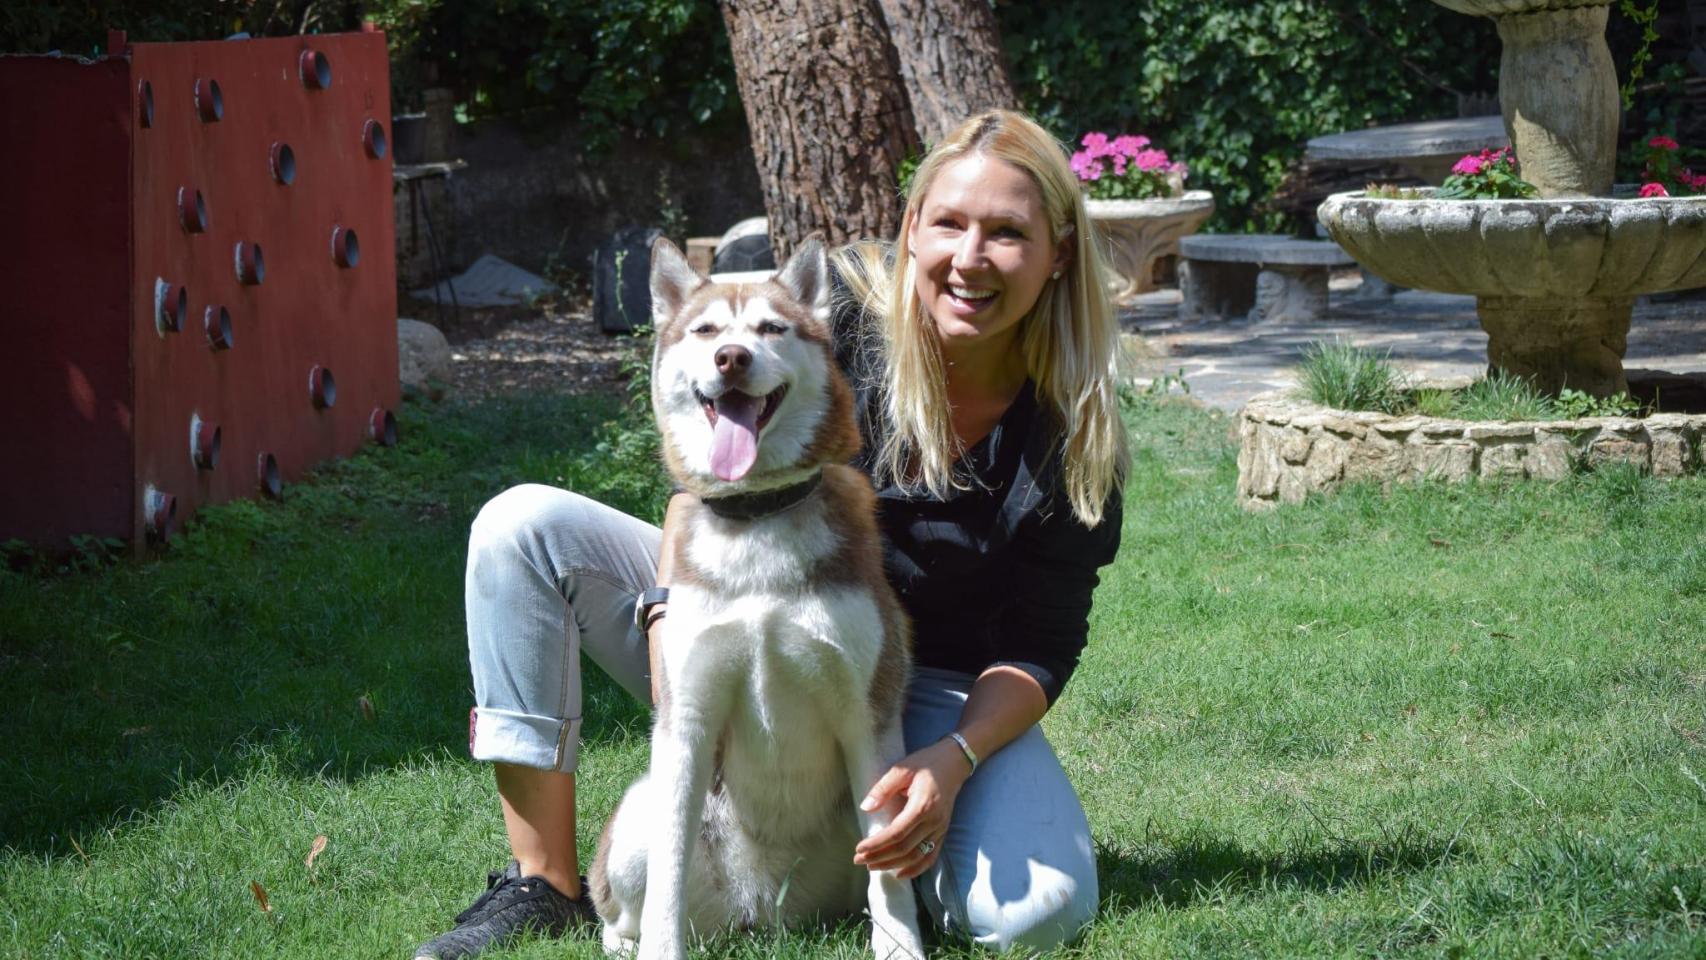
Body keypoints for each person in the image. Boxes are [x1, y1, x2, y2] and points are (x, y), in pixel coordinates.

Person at [414, 109, 1129, 960]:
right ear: (912, 229)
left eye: (1007, 233)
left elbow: (1042, 644)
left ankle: (891, 860)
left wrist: (954, 759)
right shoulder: (833, 328)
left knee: (1036, 917)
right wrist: (663, 607)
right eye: (949, 223)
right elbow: (700, 478)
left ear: (1057, 257)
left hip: (927, 681)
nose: (970, 258)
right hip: (730, 585)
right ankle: (545, 883)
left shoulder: (1074, 430)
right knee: (520, 525)